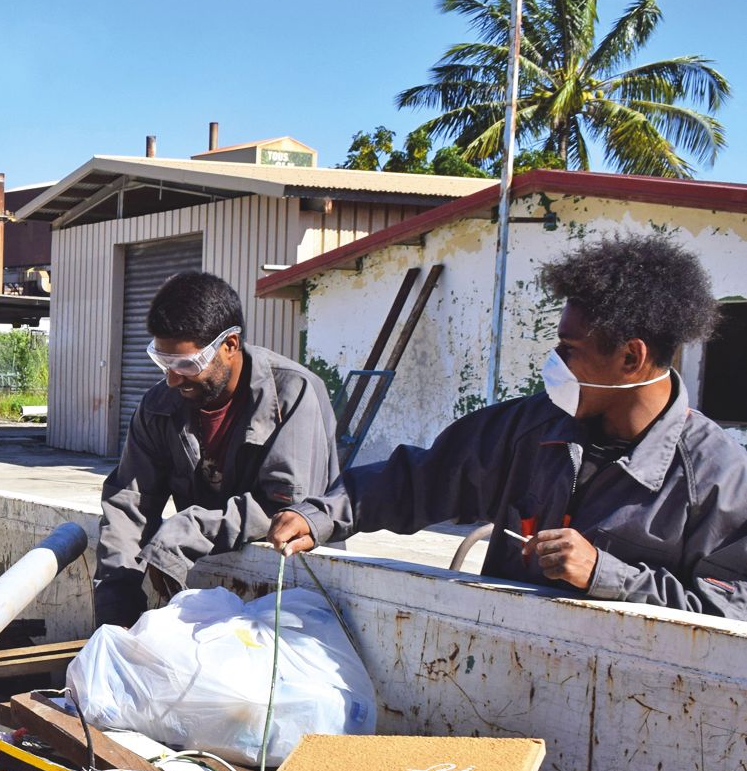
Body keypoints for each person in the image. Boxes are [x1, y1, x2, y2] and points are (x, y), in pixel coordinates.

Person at [267, 232, 747, 618]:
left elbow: (730, 610)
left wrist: (605, 573)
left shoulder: (719, 478)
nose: (555, 363)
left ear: (631, 356)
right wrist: (325, 513)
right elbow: (423, 477)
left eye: (570, 349)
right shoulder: (532, 427)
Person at [93, 272, 338, 629]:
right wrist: (116, 619)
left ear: (231, 345)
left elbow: (287, 510)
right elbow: (129, 506)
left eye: (187, 365)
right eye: (164, 363)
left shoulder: (293, 395)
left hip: (297, 596)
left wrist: (185, 531)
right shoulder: (158, 406)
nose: (173, 379)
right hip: (208, 597)